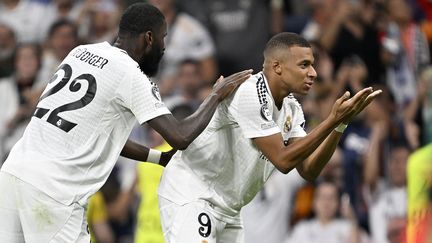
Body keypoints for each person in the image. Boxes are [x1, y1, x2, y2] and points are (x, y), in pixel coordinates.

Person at [0, 3, 252, 242]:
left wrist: (157, 158)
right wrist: (216, 95)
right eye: (163, 37)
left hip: (13, 173)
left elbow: (97, 135)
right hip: (54, 192)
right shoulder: (130, 74)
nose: (164, 47)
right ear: (149, 38)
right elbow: (180, 136)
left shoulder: (80, 51)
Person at [158, 32, 382, 242]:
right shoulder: (249, 92)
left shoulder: (291, 108)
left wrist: (340, 125)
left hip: (229, 208)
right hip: (193, 194)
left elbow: (309, 170)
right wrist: (331, 120)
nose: (313, 72)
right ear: (277, 67)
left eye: (312, 65)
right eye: (304, 65)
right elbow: (283, 161)